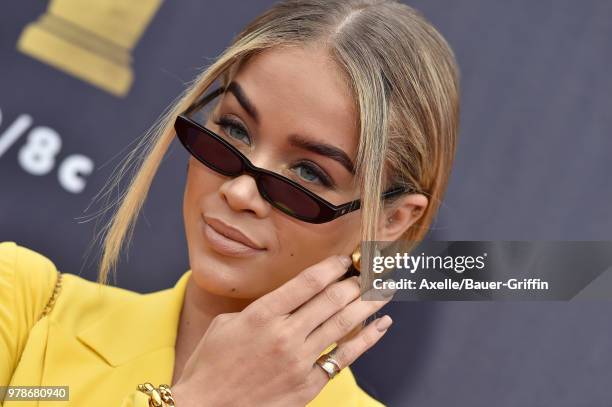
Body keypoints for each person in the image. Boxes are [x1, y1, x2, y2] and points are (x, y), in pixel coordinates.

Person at [0, 0, 459, 405]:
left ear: (393, 218)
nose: (240, 191)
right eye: (235, 130)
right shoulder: (24, 303)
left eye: (309, 172)